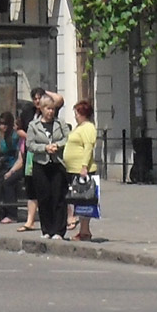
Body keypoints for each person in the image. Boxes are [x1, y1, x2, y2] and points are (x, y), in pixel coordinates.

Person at [16, 86, 64, 232]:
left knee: (56, 194)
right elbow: (23, 134)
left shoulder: (57, 120)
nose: (37, 101)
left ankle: (59, 227)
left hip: (55, 159)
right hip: (36, 157)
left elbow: (60, 100)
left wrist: (45, 92)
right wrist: (41, 145)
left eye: (39, 98)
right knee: (37, 191)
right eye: (35, 99)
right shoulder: (29, 115)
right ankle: (37, 224)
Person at [26, 94, 70, 239]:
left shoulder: (60, 123)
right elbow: (30, 144)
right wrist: (45, 148)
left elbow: (67, 138)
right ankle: (47, 229)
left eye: (53, 109)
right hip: (41, 164)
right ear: (42, 109)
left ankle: (59, 230)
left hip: (57, 163)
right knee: (44, 197)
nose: (51, 112)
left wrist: (58, 145)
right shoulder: (34, 125)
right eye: (48, 109)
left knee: (58, 196)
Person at [63, 100, 98, 241]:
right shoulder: (79, 127)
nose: (75, 116)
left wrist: (84, 166)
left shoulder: (88, 127)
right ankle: (83, 231)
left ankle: (85, 231)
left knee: (84, 200)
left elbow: (88, 147)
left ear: (83, 114)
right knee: (78, 200)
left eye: (77, 113)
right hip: (73, 169)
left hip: (82, 169)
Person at [0, 111, 22, 223]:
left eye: (5, 124)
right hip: (4, 165)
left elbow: (18, 155)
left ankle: (12, 214)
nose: (2, 126)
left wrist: (11, 171)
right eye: (0, 124)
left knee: (7, 182)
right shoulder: (1, 136)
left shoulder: (14, 136)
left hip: (15, 166)